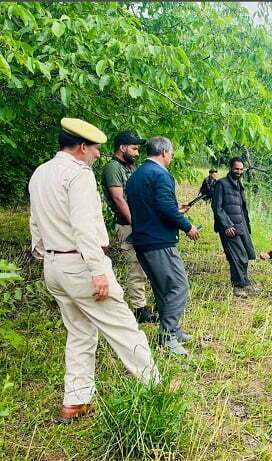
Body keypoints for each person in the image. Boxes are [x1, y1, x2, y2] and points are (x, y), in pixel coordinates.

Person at [28, 118, 160, 420]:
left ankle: (75, 400)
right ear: (82, 146)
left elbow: (35, 220)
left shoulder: (41, 173)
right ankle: (155, 388)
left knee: (79, 332)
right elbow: (84, 226)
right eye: (96, 148)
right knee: (124, 327)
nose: (99, 154)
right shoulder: (78, 175)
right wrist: (97, 270)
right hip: (81, 265)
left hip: (54, 264)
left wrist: (45, 253)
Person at [126, 136, 200, 356]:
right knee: (178, 286)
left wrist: (174, 208)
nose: (172, 156)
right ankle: (167, 337)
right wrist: (187, 226)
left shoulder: (136, 175)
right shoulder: (161, 174)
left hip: (142, 239)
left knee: (162, 288)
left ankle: (174, 330)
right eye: (172, 152)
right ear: (165, 152)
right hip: (159, 242)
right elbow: (164, 208)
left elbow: (154, 205)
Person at [100, 131, 157, 324]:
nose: (136, 153)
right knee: (136, 266)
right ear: (122, 147)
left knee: (146, 265)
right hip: (128, 226)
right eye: (133, 149)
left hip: (139, 224)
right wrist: (136, 223)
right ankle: (139, 309)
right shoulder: (113, 168)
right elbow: (118, 199)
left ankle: (147, 304)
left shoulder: (129, 167)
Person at [211, 158, 257, 298]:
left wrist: (246, 226)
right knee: (237, 256)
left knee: (246, 253)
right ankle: (238, 286)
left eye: (241, 169)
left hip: (241, 224)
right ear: (231, 168)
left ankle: (245, 281)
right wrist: (227, 225)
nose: (239, 171)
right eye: (236, 169)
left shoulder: (239, 185)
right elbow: (217, 207)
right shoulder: (221, 184)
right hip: (229, 227)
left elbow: (242, 208)